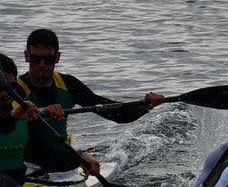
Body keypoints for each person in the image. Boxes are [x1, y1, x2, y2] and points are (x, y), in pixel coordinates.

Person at [17, 29, 165, 173]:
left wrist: (145, 105)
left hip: (60, 160)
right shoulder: (15, 89)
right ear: (27, 57)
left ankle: (80, 156)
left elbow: (115, 114)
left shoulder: (69, 84)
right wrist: (42, 111)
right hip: (23, 160)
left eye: (48, 60)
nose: (41, 65)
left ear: (57, 58)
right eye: (36, 59)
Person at [0, 54, 40, 187]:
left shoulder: (24, 111)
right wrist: (13, 115)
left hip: (15, 184)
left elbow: (48, 150)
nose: (5, 93)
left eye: (11, 87)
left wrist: (82, 157)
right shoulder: (18, 113)